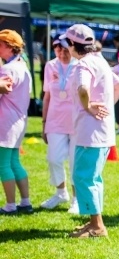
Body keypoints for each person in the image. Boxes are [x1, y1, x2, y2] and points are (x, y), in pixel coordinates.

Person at [63, 24, 119, 238]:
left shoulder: (83, 65)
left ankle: (97, 226)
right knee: (93, 178)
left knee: (83, 177)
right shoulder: (100, 60)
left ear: (72, 44)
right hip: (102, 131)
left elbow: (83, 89)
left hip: (89, 132)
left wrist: (88, 106)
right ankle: (94, 222)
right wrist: (107, 108)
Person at [40, 37, 78, 213]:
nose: (62, 53)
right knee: (53, 158)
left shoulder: (79, 66)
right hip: (55, 119)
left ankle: (77, 199)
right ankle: (61, 192)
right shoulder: (50, 65)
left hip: (76, 120)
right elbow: (47, 96)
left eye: (65, 49)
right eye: (58, 49)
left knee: (75, 161)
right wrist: (44, 122)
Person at [0, 29, 34, 215]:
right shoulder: (23, 66)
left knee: (3, 165)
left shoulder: (7, 69)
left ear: (9, 47)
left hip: (5, 121)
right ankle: (25, 202)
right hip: (18, 120)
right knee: (13, 162)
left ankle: (10, 205)